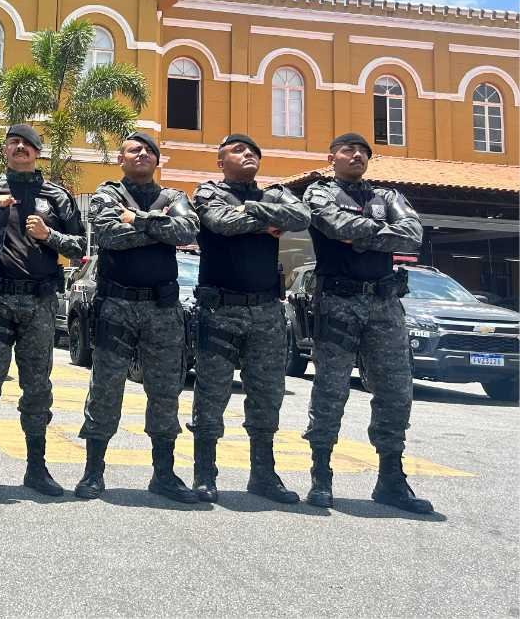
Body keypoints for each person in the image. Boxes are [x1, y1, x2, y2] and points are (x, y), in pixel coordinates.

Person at [302, 133, 432, 513]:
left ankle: (391, 479)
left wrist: (360, 238)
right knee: (330, 388)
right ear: (332, 157)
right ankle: (320, 476)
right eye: (348, 150)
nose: (357, 155)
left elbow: (412, 235)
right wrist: (378, 237)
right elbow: (333, 224)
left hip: (384, 304)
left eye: (363, 151)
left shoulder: (388, 197)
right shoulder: (318, 192)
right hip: (338, 302)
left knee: (395, 390)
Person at [0, 125, 85, 496]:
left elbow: (80, 246)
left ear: (37, 152)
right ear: (5, 150)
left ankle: (36, 468)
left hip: (40, 304)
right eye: (14, 142)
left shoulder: (57, 196)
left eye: (28, 144)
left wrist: (51, 237)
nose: (20, 147)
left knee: (37, 388)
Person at [75, 132, 200, 503]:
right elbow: (109, 235)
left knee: (165, 392)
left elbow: (189, 230)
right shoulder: (107, 194)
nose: (143, 153)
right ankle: (93, 472)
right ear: (121, 158)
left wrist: (139, 220)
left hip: (163, 309)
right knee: (105, 388)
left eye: (149, 150)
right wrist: (159, 228)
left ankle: (164, 474)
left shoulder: (175, 197)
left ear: (158, 160)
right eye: (134, 149)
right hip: (116, 305)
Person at [189, 133, 310, 503]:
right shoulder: (208, 191)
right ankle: (205, 474)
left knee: (267, 394)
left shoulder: (274, 191)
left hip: (267, 311)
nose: (248, 155)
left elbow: (302, 215)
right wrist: (265, 220)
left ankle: (263, 475)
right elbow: (220, 222)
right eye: (239, 150)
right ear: (220, 161)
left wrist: (252, 213)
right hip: (220, 308)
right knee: (211, 393)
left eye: (254, 151)